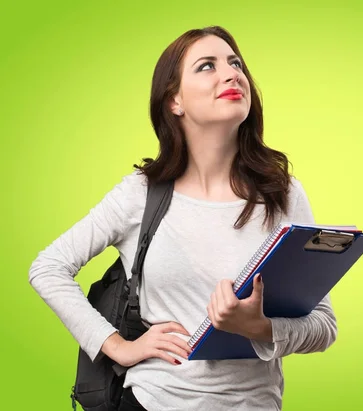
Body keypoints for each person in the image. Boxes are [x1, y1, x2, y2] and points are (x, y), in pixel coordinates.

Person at [28, 26, 337, 411]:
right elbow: (48, 268)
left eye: (235, 63)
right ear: (174, 101)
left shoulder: (282, 193)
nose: (231, 74)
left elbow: (324, 327)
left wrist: (258, 328)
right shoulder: (142, 192)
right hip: (150, 401)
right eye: (207, 66)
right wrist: (117, 347)